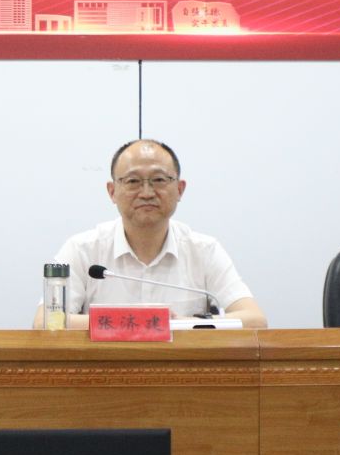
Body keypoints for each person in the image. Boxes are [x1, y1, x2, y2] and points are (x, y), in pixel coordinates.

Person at [37, 139, 267, 329]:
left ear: (180, 189)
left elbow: (255, 320)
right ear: (112, 191)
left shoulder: (204, 250)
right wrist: (147, 322)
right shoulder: (83, 249)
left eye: (158, 180)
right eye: (133, 181)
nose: (147, 193)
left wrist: (183, 324)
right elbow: (45, 322)